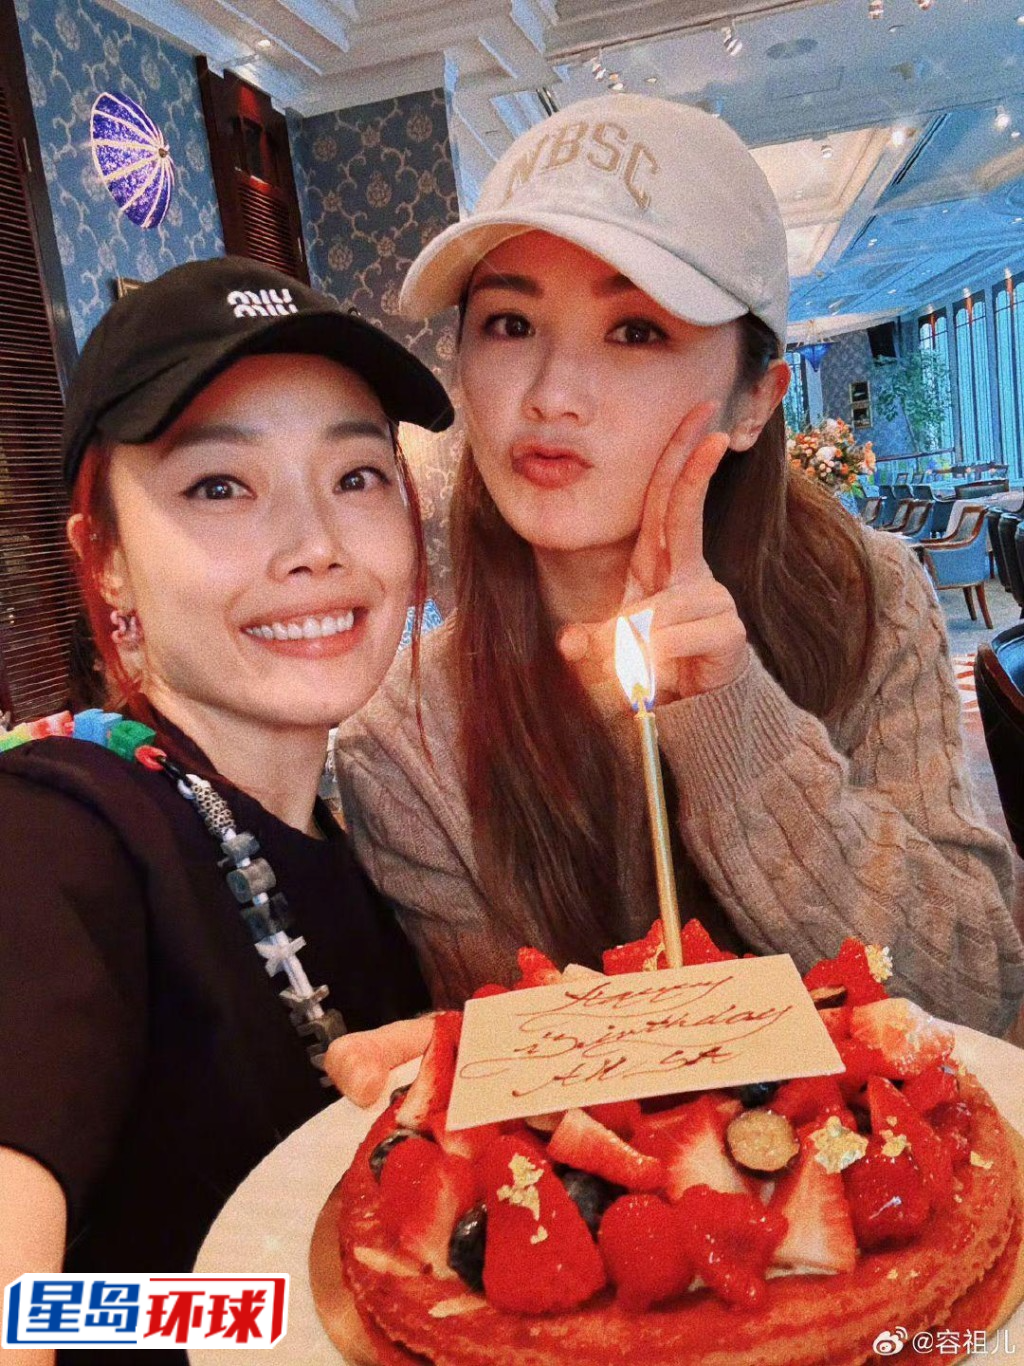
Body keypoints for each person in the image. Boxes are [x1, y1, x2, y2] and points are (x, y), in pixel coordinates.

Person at [333, 94, 1024, 1052]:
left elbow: (975, 988)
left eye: (636, 332)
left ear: (754, 402)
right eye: (509, 324)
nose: (550, 395)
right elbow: (526, 1096)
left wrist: (736, 722)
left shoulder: (861, 595)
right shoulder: (405, 739)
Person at [0, 257, 452, 1358]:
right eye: (219, 487)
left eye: (356, 475)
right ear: (105, 558)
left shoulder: (340, 832)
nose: (317, 546)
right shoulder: (54, 832)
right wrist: (262, 1311)